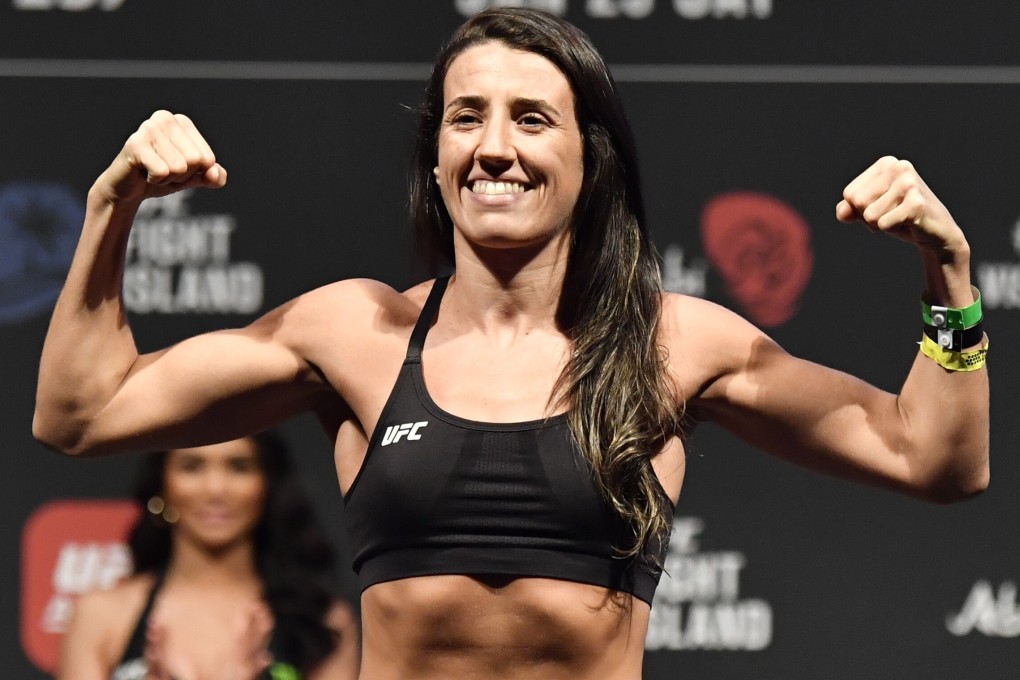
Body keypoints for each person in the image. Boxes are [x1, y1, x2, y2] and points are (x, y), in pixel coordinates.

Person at [34, 7, 989, 680]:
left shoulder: (672, 344)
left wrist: (948, 279)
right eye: (466, 117)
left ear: (589, 157)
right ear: (436, 158)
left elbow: (933, 459)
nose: (494, 147)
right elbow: (82, 413)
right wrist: (111, 208)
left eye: (531, 118)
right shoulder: (359, 333)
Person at [55, 432, 360, 680]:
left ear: (267, 485)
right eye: (192, 466)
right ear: (162, 486)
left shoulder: (324, 622)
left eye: (239, 467)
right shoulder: (99, 616)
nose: (216, 490)